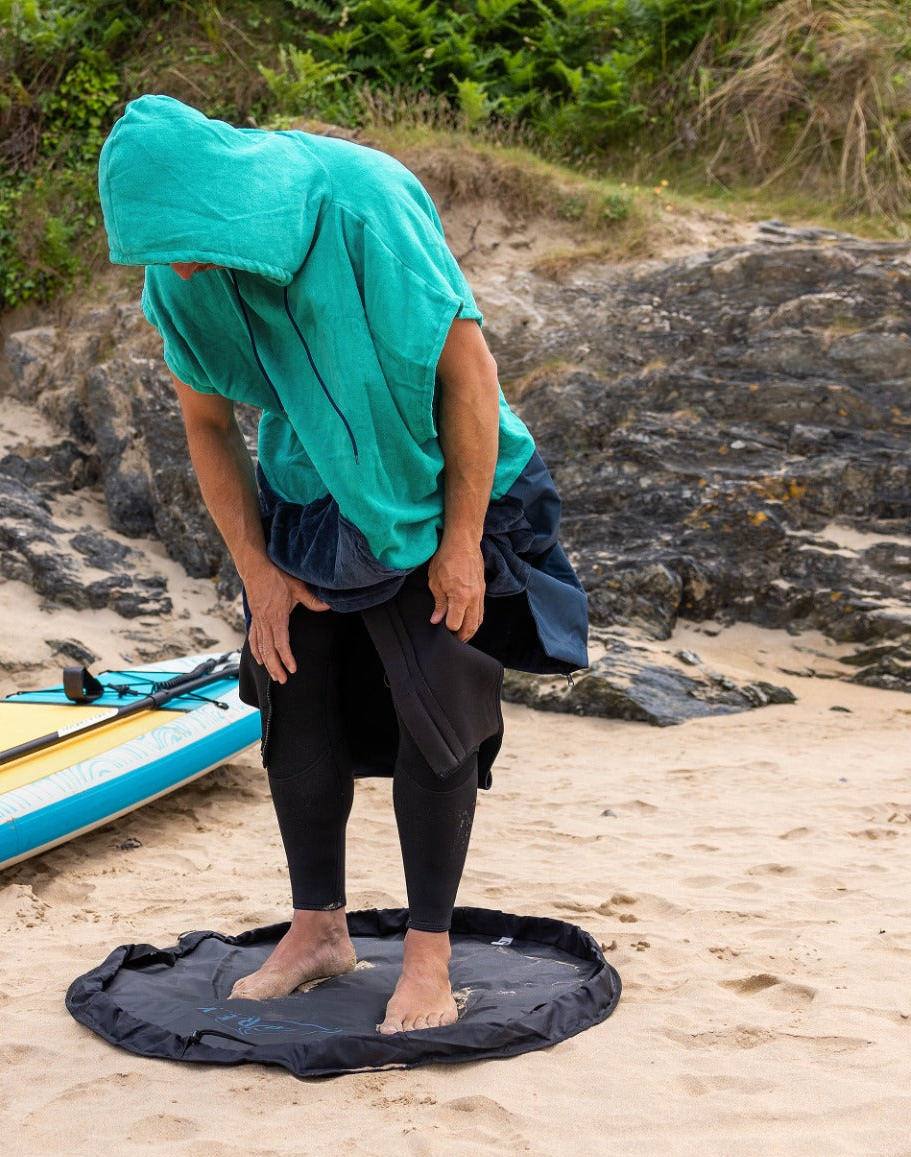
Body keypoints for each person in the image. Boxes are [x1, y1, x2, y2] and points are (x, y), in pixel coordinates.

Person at [98, 95, 588, 1034]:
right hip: (312, 486)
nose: (182, 263)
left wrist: (458, 542)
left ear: (226, 195)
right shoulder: (180, 270)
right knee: (295, 693)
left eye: (188, 237)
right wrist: (259, 574)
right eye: (159, 247)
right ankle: (318, 929)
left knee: (437, 705)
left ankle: (429, 958)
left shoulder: (365, 201)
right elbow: (207, 424)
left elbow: (469, 376)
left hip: (446, 478)